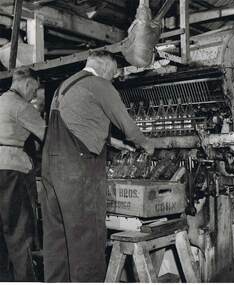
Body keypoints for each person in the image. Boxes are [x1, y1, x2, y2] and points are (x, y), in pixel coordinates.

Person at [41, 50, 155, 282]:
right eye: (113, 75)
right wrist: (147, 144)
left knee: (57, 239)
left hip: (52, 168)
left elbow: (78, 122)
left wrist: (114, 143)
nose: (112, 79)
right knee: (87, 240)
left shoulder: (65, 85)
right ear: (105, 68)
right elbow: (126, 123)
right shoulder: (100, 84)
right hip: (78, 170)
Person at [0, 68, 46, 281]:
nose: (34, 96)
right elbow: (48, 135)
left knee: (2, 233)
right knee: (20, 231)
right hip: (11, 169)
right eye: (34, 90)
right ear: (27, 84)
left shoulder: (1, 100)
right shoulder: (21, 106)